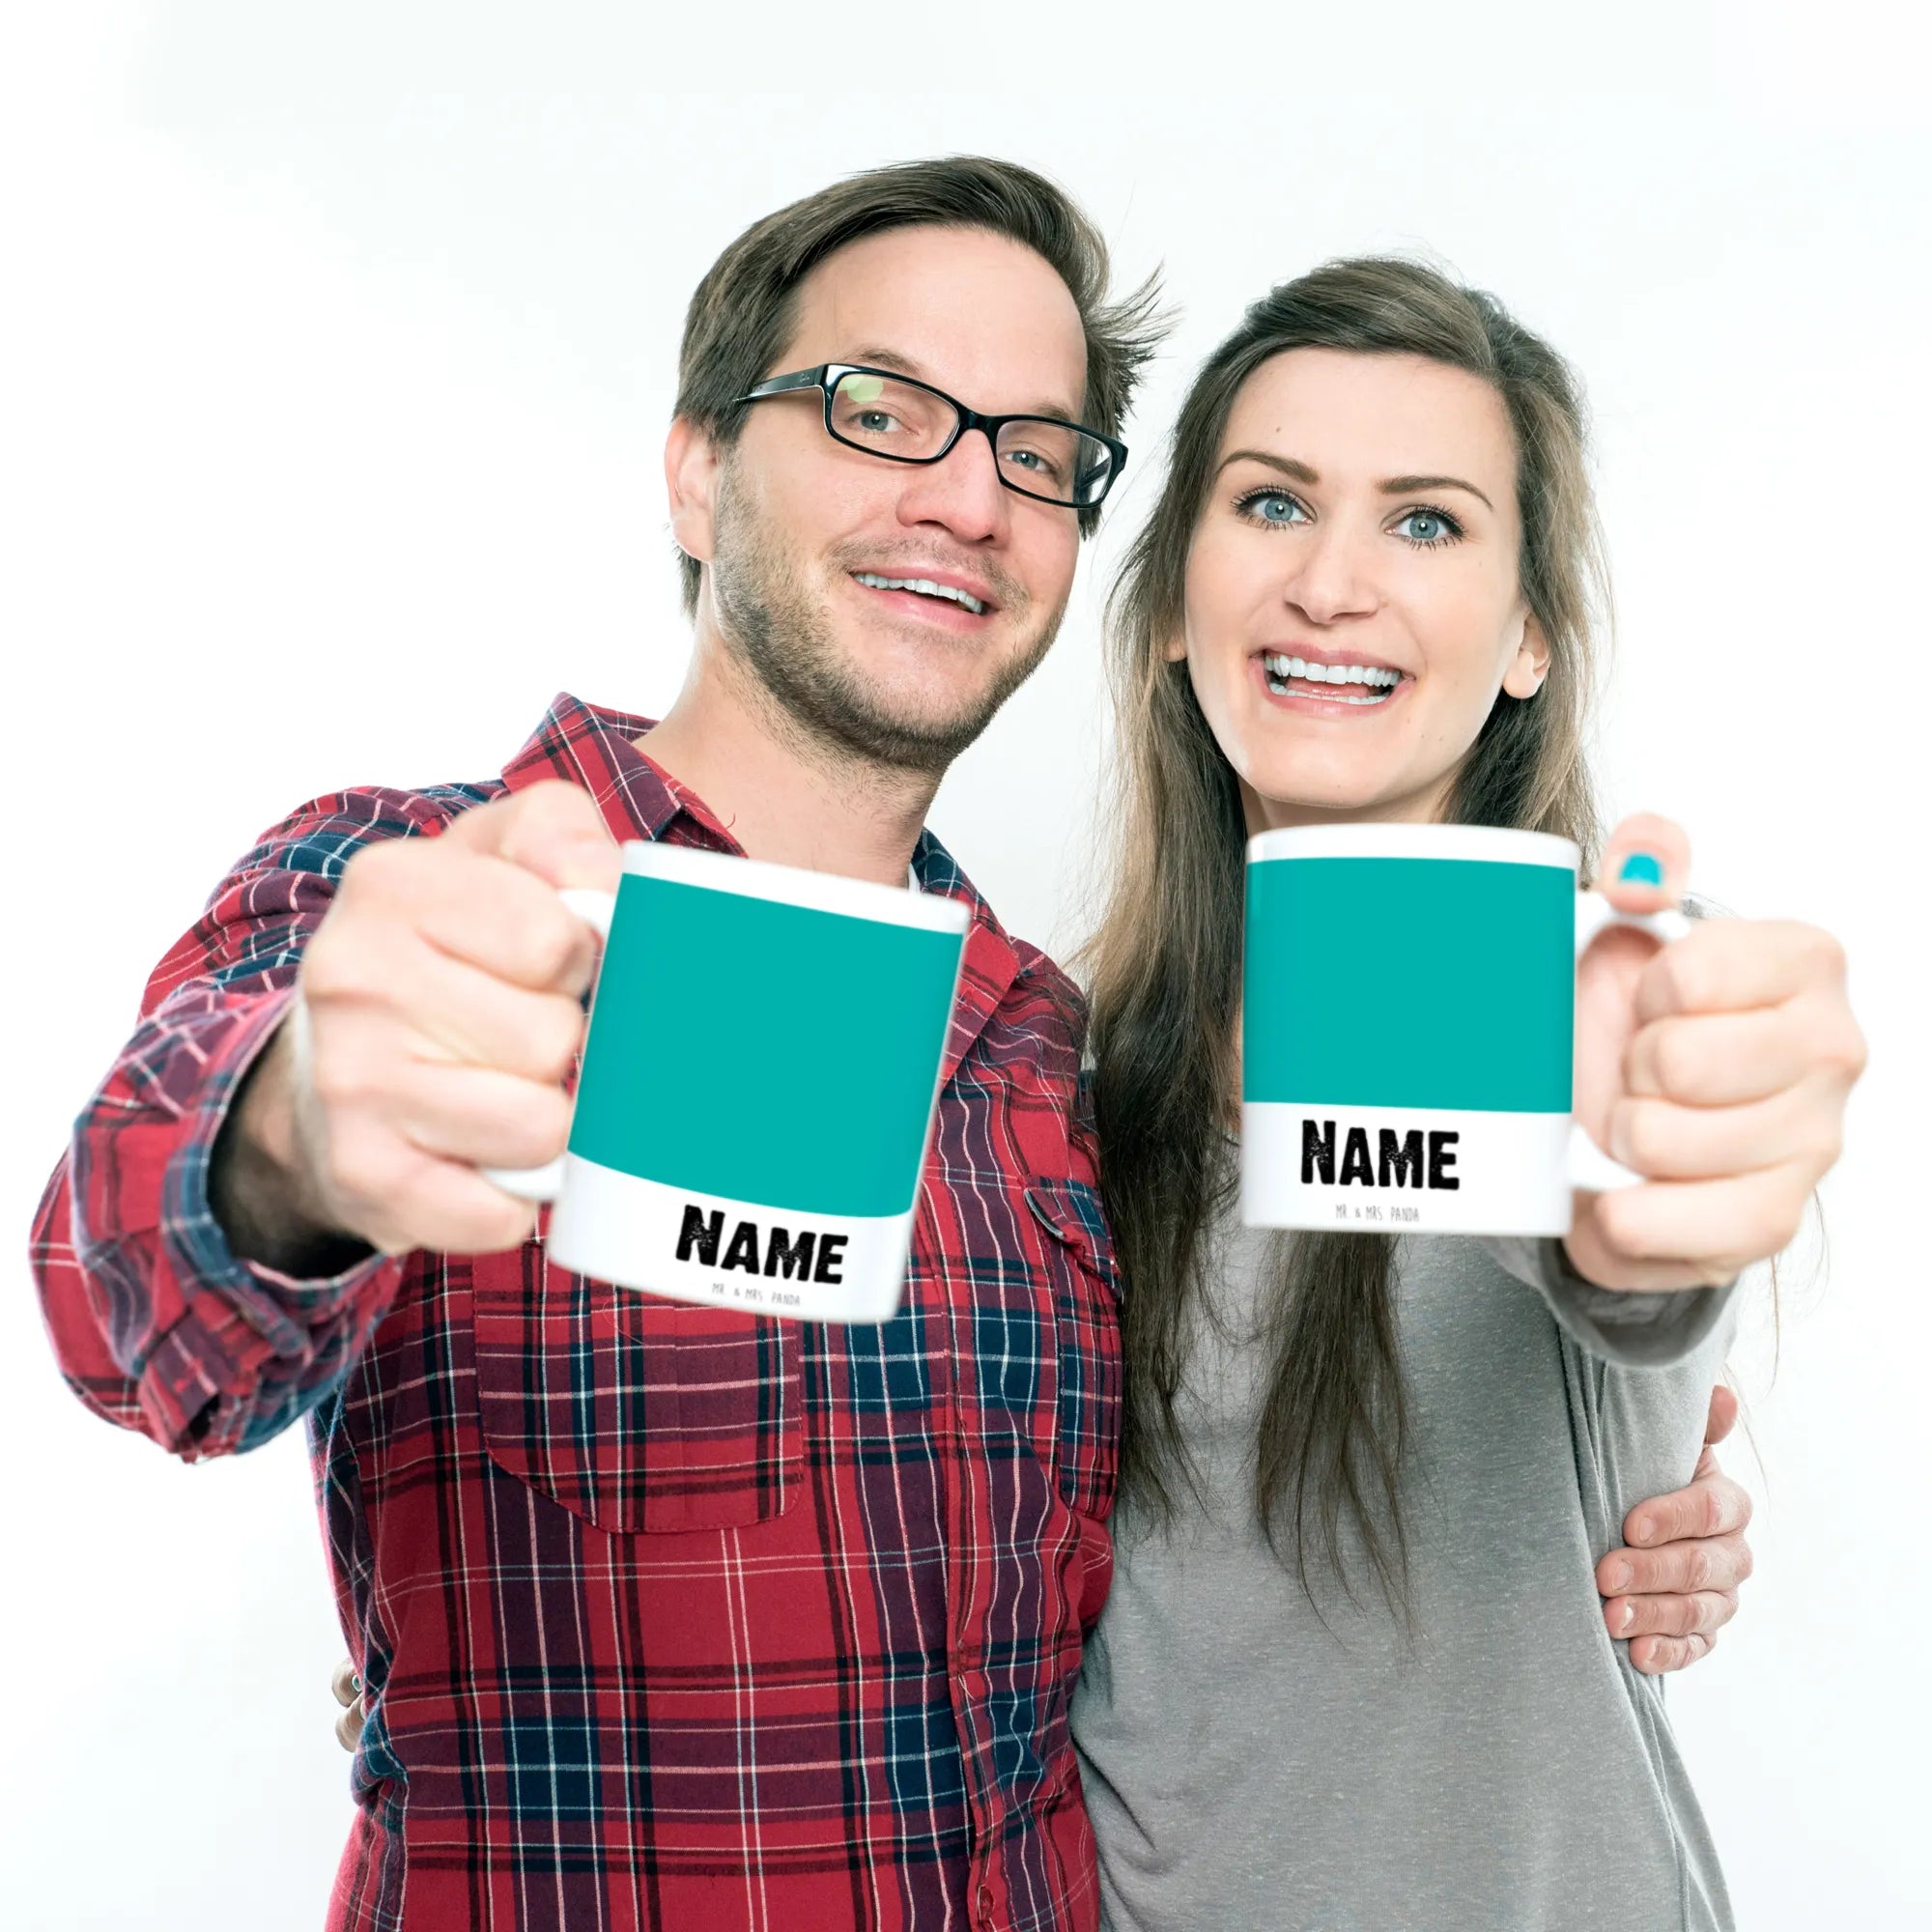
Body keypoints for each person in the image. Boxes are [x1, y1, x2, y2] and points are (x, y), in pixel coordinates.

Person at [36, 157, 1760, 1932]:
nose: (966, 496)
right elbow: (123, 1290)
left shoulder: (1044, 1056)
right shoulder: (424, 895)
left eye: (1035, 451)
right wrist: (298, 1137)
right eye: (880, 409)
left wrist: (1647, 1430)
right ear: (698, 467)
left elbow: (1572, 1266)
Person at [1071, 258, 1865, 1929]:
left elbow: (1628, 1255)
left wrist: (1662, 1180)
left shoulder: (1593, 999)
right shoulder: (1065, 1077)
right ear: (1170, 606)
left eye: (1426, 522)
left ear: (1527, 639)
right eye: (1272, 503)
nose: (1332, 583)